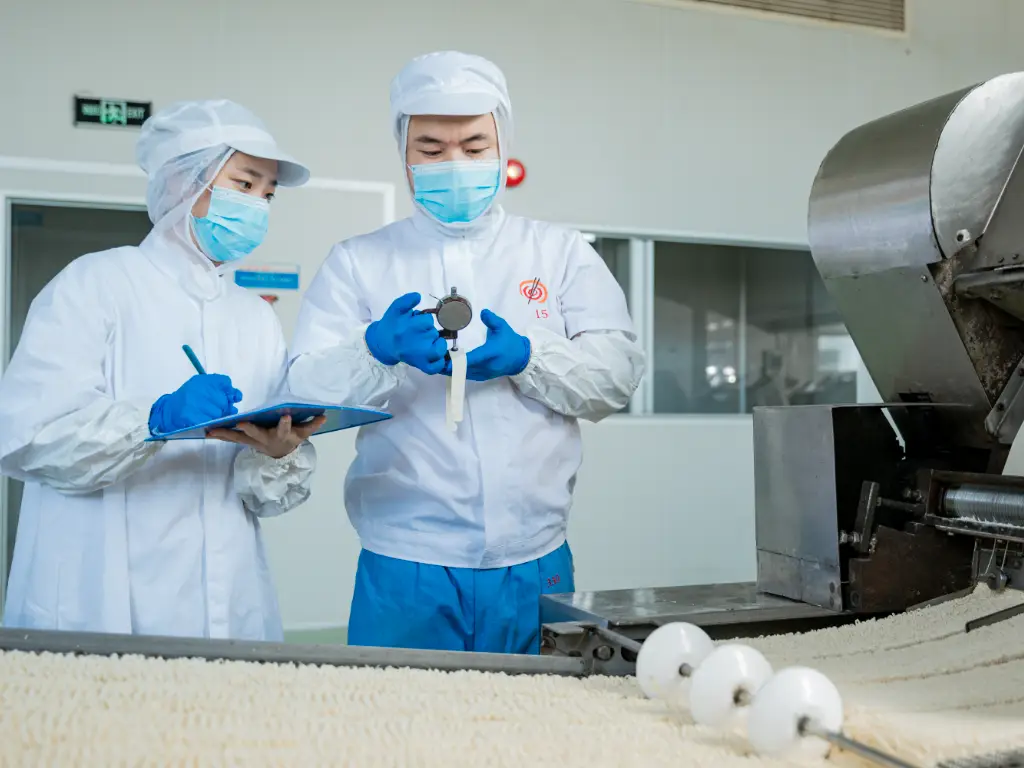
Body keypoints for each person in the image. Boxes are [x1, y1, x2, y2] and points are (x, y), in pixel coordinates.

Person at [288, 51, 645, 654]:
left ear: (503, 145)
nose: (454, 163)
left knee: (535, 736)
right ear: (403, 150)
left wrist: (530, 359)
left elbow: (617, 377)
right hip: (405, 564)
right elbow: (301, 394)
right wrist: (373, 352)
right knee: (398, 735)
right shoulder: (359, 261)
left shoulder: (559, 254)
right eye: (430, 150)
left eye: (475, 146)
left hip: (534, 561)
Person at [0, 99, 324, 641]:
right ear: (182, 184)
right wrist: (152, 421)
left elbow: (261, 495)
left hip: (229, 601)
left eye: (267, 195)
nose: (259, 207)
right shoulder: (94, 284)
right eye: (244, 185)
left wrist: (279, 454)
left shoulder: (253, 317)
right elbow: (28, 436)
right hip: (98, 592)